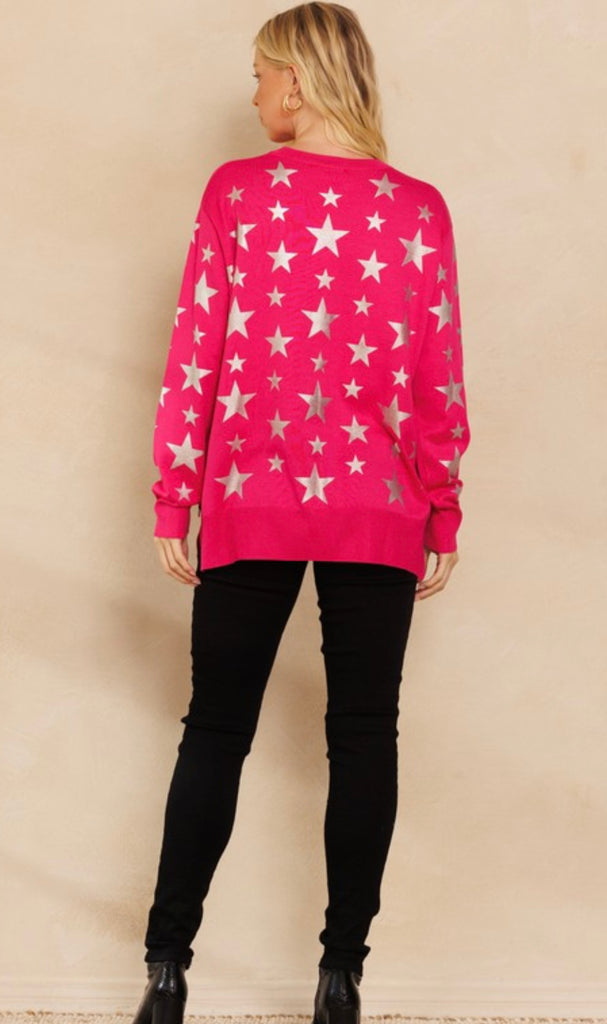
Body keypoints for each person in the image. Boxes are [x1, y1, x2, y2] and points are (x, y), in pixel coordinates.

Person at [131, 3, 471, 1023]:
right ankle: (340, 978)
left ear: (297, 78)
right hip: (378, 505)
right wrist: (440, 506)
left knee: (214, 730)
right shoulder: (418, 209)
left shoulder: (236, 193)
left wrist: (175, 493)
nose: (252, 94)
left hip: (253, 497)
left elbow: (196, 352)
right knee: (364, 734)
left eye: (260, 72)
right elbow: (437, 374)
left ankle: (165, 970)